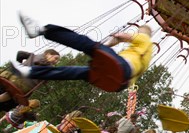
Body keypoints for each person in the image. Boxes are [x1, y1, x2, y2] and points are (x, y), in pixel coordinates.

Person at [11, 13, 153, 91]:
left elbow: (122, 36)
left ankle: (42, 30)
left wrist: (113, 40)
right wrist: (106, 48)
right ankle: (28, 72)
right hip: (118, 83)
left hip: (122, 67)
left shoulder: (144, 38)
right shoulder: (146, 57)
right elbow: (107, 55)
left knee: (87, 44)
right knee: (73, 72)